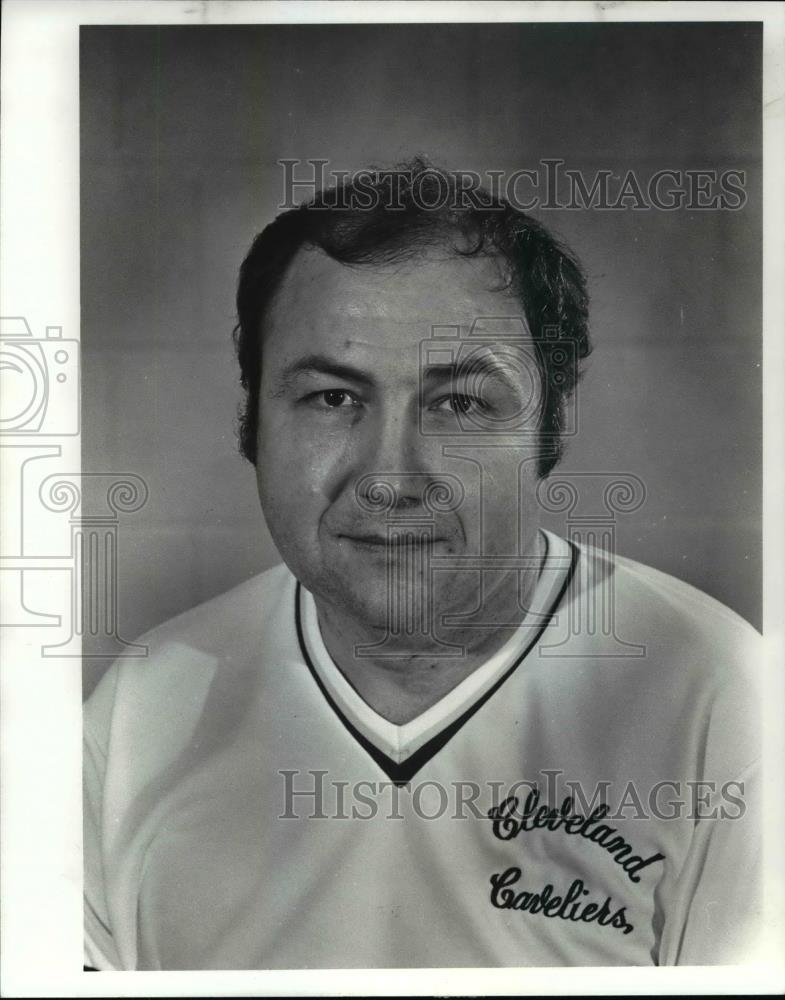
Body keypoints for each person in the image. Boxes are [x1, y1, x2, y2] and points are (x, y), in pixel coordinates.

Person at [84, 159, 761, 970]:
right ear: (251, 421)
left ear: (550, 428)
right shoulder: (144, 706)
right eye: (332, 398)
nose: (390, 477)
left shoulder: (720, 696)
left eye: (460, 403)